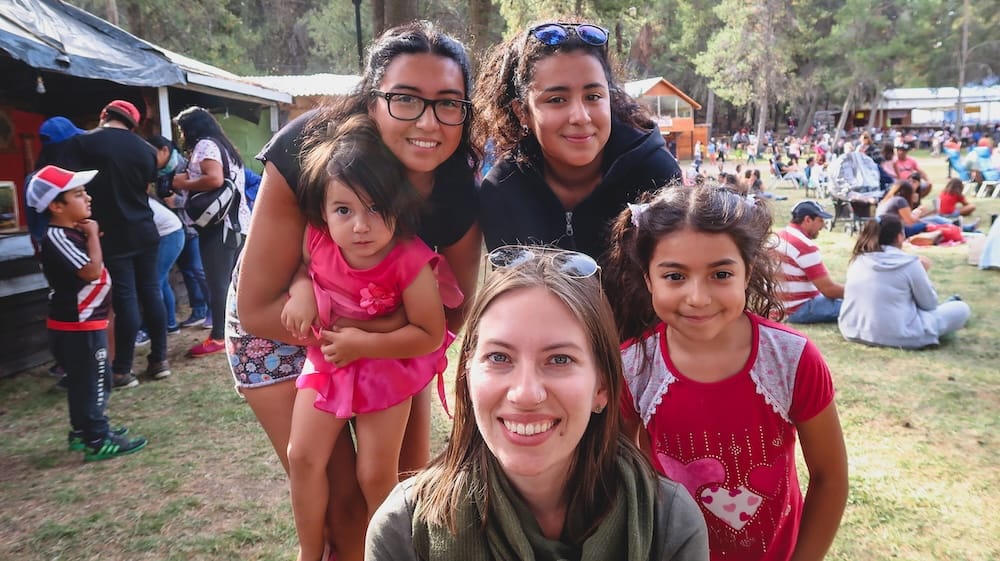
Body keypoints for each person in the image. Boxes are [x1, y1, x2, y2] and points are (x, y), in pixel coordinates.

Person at [232, 21, 483, 561]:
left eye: (448, 103)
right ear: (372, 101)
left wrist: (376, 339)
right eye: (405, 99)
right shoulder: (310, 150)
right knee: (340, 503)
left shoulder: (457, 186)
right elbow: (257, 307)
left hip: (389, 323)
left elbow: (449, 316)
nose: (428, 121)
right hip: (284, 323)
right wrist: (340, 323)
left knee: (398, 482)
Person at [365, 246, 709, 560]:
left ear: (601, 387)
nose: (525, 394)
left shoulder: (668, 525)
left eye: (559, 360)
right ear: (468, 375)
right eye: (499, 357)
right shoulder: (405, 530)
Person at [605, 185, 848, 561]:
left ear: (747, 272)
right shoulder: (634, 367)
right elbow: (620, 471)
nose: (698, 297)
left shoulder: (792, 359)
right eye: (675, 276)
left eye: (720, 274)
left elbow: (830, 478)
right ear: (648, 278)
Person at [281, 115, 462, 561]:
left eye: (375, 209)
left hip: (386, 369)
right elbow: (303, 270)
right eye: (344, 210)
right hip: (329, 364)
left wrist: (362, 344)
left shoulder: (410, 260)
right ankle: (309, 552)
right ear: (323, 211)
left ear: (397, 208)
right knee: (301, 456)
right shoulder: (318, 241)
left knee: (376, 476)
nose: (360, 225)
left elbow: (429, 334)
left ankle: (389, 553)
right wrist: (301, 292)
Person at [475, 20, 681, 259]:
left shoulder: (655, 176)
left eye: (593, 96)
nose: (581, 117)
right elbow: (509, 282)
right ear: (522, 112)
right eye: (557, 100)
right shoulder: (502, 190)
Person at [27, 165, 148, 460]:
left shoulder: (68, 233)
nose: (88, 198)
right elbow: (91, 272)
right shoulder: (58, 236)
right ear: (56, 206)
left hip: (84, 323)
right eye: (79, 194)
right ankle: (97, 438)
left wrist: (89, 236)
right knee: (95, 381)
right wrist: (93, 235)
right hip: (79, 325)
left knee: (84, 381)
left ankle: (83, 431)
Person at [61, 100, 168, 387]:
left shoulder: (83, 143)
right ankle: (159, 360)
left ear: (104, 115)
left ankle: (122, 369)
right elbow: (146, 187)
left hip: (111, 233)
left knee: (125, 298)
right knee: (152, 291)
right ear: (132, 125)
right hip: (145, 229)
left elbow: (71, 187)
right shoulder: (147, 150)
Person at [172, 106, 249, 357]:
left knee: (219, 284)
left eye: (182, 129)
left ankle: (218, 336)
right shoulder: (225, 146)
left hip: (219, 226)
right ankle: (242, 329)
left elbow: (214, 179)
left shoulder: (204, 145)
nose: (181, 135)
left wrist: (183, 182)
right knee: (236, 282)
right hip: (238, 224)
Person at [838, 215, 971, 348]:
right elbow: (929, 305)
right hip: (899, 336)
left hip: (851, 330)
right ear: (899, 236)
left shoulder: (858, 259)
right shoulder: (910, 263)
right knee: (961, 308)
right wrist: (923, 271)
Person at [146, 135, 211, 328]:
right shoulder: (157, 173)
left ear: (164, 150)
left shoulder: (186, 166)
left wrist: (178, 202)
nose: (149, 158)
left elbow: (202, 196)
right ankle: (198, 311)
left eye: (152, 153)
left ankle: (213, 312)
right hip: (173, 229)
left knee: (198, 270)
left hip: (192, 226)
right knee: (187, 271)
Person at [774, 200, 845, 324]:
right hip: (797, 308)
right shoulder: (804, 246)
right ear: (807, 220)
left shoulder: (779, 236)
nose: (823, 226)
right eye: (820, 220)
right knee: (856, 305)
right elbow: (829, 289)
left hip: (778, 306)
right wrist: (857, 293)